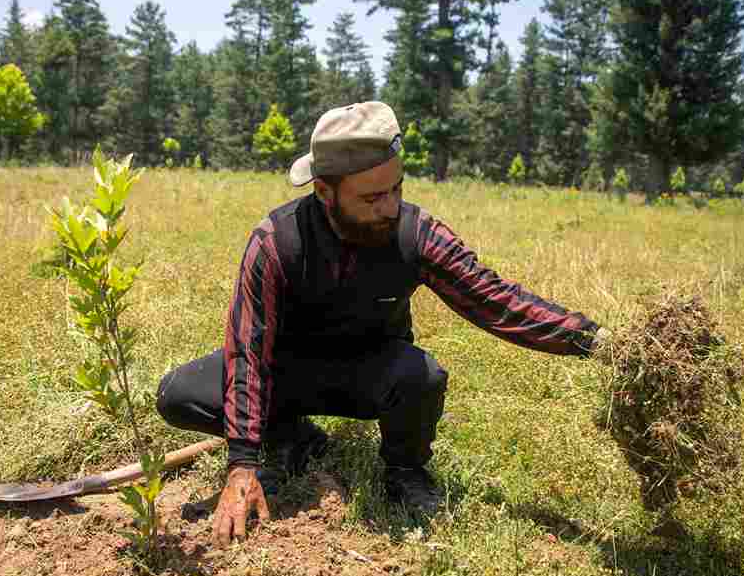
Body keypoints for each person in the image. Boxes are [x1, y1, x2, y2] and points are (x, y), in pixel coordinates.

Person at [155, 101, 610, 547]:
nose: (391, 207)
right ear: (325, 192)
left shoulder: (416, 234)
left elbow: (497, 302)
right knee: (180, 395)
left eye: (396, 189)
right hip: (285, 373)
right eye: (372, 197)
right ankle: (294, 440)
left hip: (369, 374)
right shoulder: (276, 242)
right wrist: (242, 464)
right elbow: (248, 351)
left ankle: (405, 471)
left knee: (422, 376)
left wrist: (598, 341)